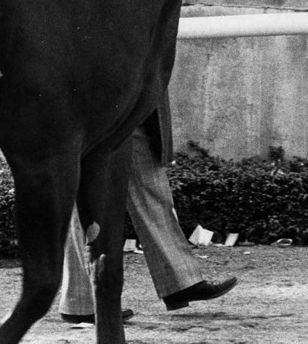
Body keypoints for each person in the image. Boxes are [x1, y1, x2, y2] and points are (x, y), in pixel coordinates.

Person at [58, 105, 239, 322]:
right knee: (82, 197)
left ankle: (181, 282)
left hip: (131, 105)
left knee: (152, 184)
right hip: (86, 106)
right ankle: (81, 303)